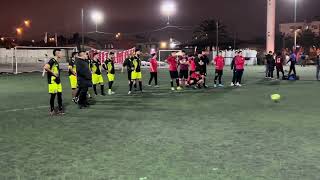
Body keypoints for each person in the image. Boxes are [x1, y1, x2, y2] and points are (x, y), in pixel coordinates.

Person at [43, 49, 64, 115]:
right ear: (57, 54)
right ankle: (52, 110)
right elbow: (46, 67)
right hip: (53, 81)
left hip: (58, 81)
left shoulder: (57, 61)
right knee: (53, 96)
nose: (61, 54)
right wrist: (54, 73)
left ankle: (60, 110)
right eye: (60, 53)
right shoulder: (52, 60)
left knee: (59, 95)